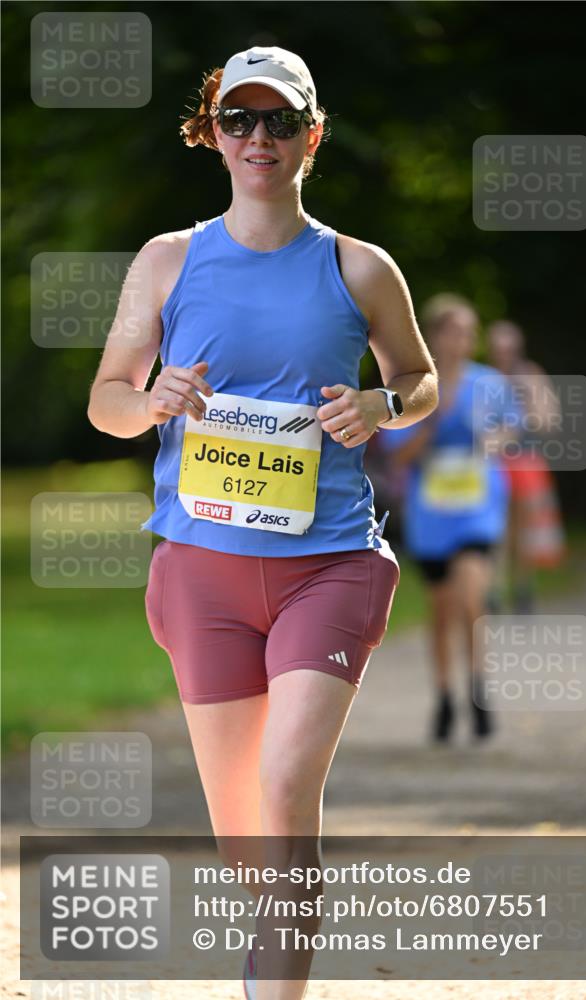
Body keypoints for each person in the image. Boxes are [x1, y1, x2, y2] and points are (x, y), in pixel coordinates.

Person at [86, 45, 438, 1000]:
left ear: (310, 136)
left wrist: (380, 408)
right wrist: (151, 399)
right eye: (238, 120)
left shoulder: (359, 267)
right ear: (212, 133)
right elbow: (105, 402)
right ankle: (266, 960)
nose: (258, 138)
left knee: (285, 789)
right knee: (243, 824)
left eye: (278, 120)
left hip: (329, 564)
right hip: (201, 571)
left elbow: (418, 377)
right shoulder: (167, 260)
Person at [381, 295, 519, 744]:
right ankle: (444, 697)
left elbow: (512, 429)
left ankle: (479, 689)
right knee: (441, 610)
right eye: (455, 330)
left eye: (469, 331)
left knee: (472, 595)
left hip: (477, 508)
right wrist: (431, 426)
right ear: (435, 335)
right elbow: (396, 456)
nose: (464, 339)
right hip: (431, 511)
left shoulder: (490, 384)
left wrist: (493, 439)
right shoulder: (418, 388)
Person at [487, 320, 566, 612]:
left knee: (524, 529)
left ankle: (522, 589)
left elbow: (550, 421)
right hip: (492, 461)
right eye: (498, 349)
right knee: (496, 529)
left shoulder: (531, 376)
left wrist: (526, 408)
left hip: (524, 460)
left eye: (508, 348)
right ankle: (493, 591)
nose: (503, 354)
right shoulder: (486, 377)